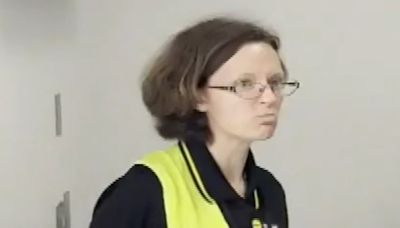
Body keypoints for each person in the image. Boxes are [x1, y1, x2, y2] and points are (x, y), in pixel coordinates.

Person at [89, 16, 300, 228]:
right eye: (245, 83)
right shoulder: (143, 193)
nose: (270, 98)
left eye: (275, 82)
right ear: (197, 96)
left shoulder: (269, 191)